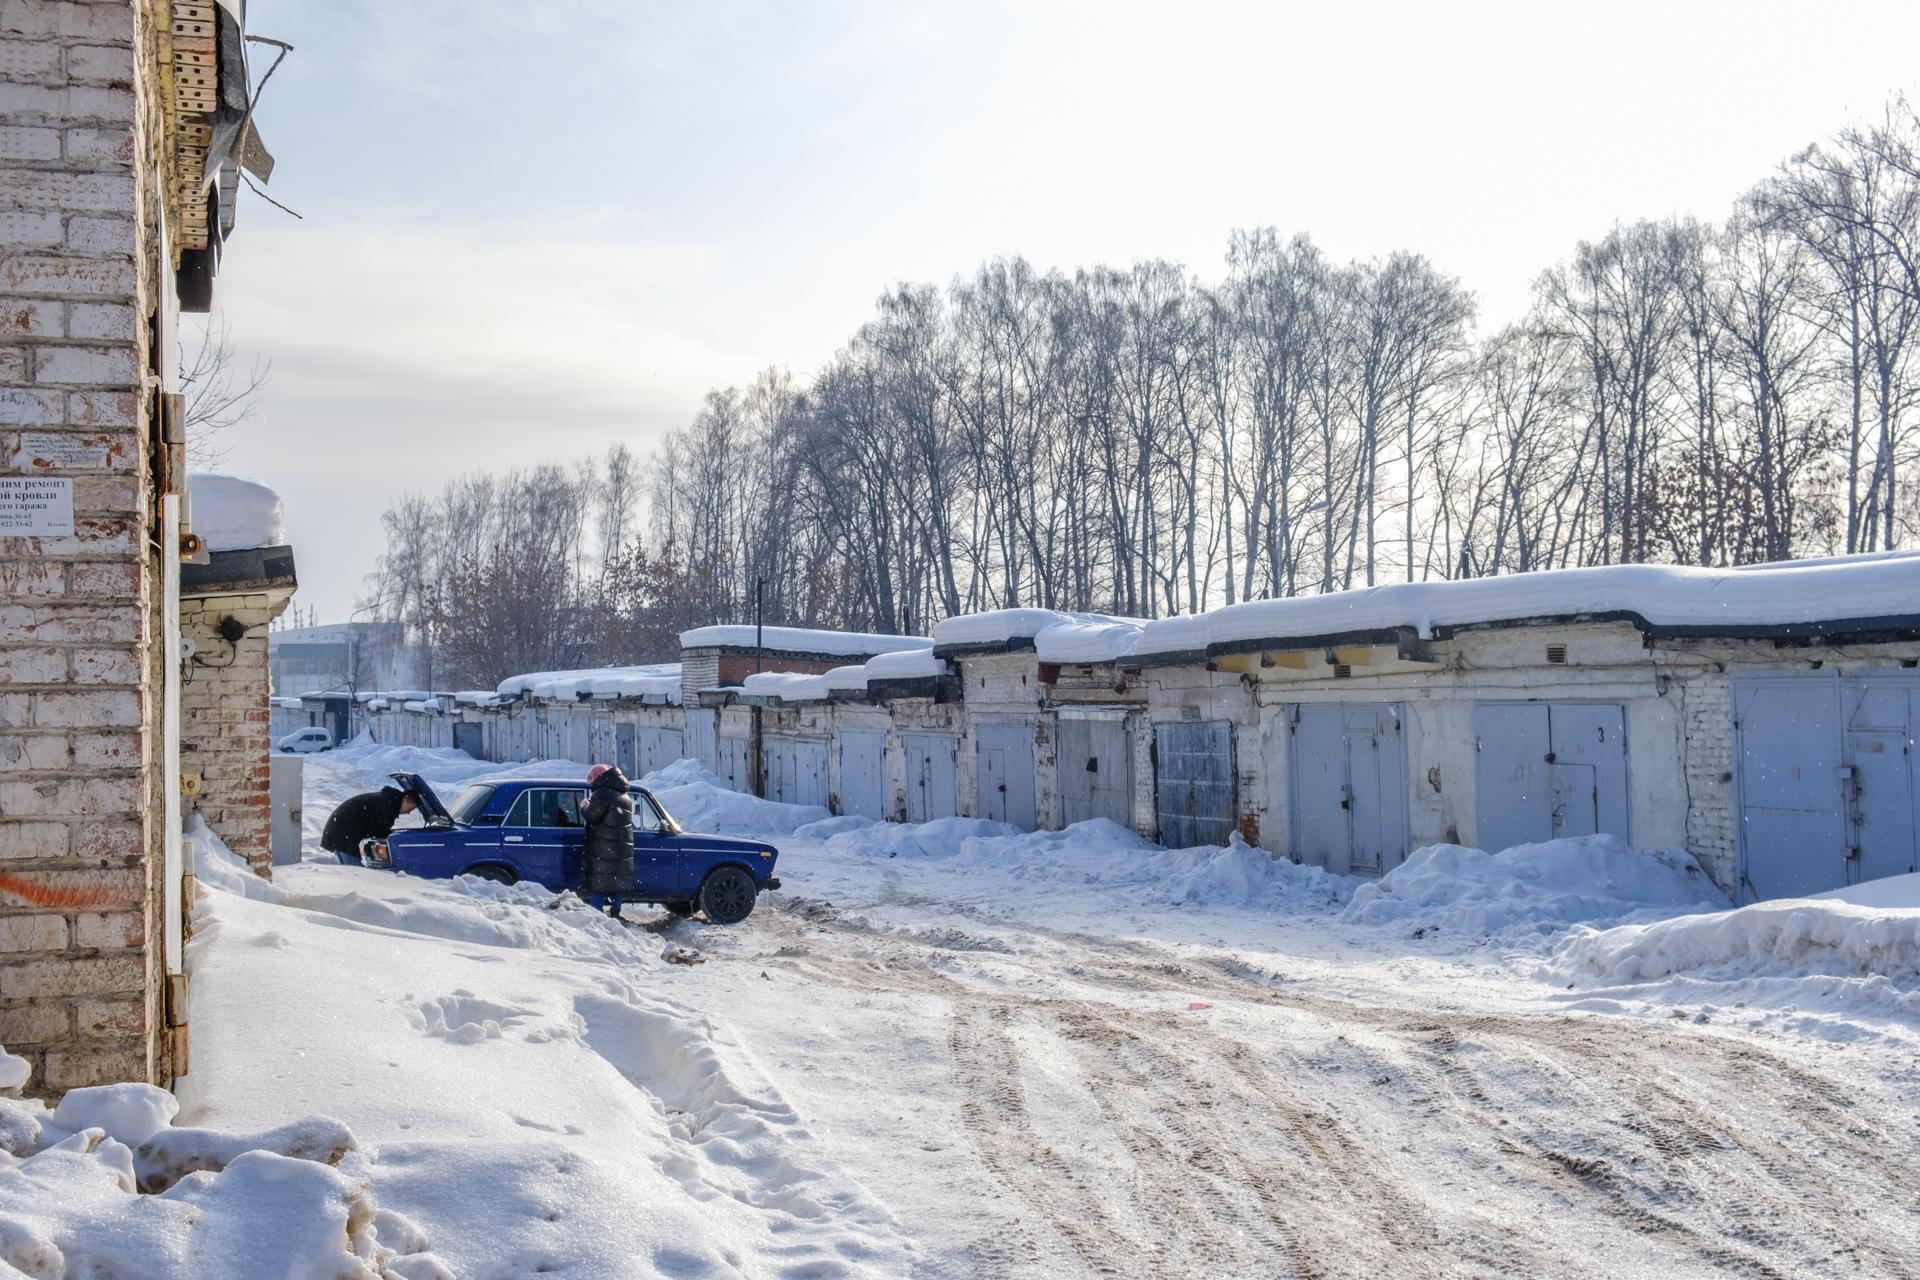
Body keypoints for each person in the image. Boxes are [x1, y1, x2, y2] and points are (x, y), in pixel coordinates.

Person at [579, 763, 634, 919]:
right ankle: (615, 912)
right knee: (617, 882)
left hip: (603, 848)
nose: (590, 784)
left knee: (597, 883)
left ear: (598, 778)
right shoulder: (624, 796)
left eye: (591, 780)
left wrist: (584, 805)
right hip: (621, 849)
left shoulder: (602, 794)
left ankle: (598, 915)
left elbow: (591, 816)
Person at [320, 784, 416, 865]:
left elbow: (378, 829)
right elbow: (380, 831)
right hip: (345, 835)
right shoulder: (387, 805)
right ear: (406, 799)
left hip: (339, 833)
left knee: (350, 873)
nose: (409, 813)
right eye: (410, 809)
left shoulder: (387, 800)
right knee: (355, 874)